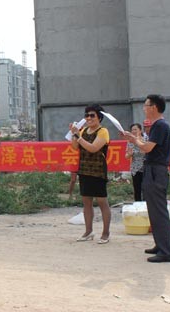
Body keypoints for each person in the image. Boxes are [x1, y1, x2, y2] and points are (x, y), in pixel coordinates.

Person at [122, 94, 170, 263]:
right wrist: (134, 139)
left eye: (146, 105)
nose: (144, 108)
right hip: (152, 169)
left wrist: (134, 140)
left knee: (158, 210)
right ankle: (160, 244)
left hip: (156, 171)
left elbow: (147, 148)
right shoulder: (157, 126)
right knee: (153, 209)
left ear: (154, 107)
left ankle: (166, 251)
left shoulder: (160, 125)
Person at [69, 104, 111, 244]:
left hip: (98, 171)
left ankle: (106, 233)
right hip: (84, 169)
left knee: (102, 202)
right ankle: (88, 231)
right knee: (86, 202)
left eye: (92, 115)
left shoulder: (103, 131)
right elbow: (75, 146)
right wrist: (74, 134)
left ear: (99, 117)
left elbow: (93, 148)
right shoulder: (83, 131)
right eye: (86, 115)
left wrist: (78, 136)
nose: (89, 118)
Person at [125, 123, 145, 201]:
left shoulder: (146, 139)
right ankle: (137, 205)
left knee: (146, 189)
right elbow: (126, 156)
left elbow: (146, 151)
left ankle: (147, 205)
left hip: (146, 168)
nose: (133, 131)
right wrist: (129, 154)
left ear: (140, 130)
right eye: (132, 130)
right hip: (135, 169)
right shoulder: (130, 142)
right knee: (137, 189)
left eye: (135, 129)